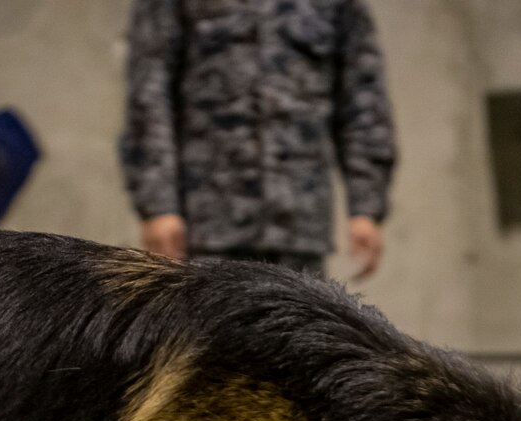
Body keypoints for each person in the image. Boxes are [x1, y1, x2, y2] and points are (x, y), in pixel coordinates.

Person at [120, 0, 396, 278]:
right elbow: (149, 94)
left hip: (299, 231)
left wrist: (366, 208)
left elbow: (363, 99)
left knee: (298, 322)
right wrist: (158, 205)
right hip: (206, 230)